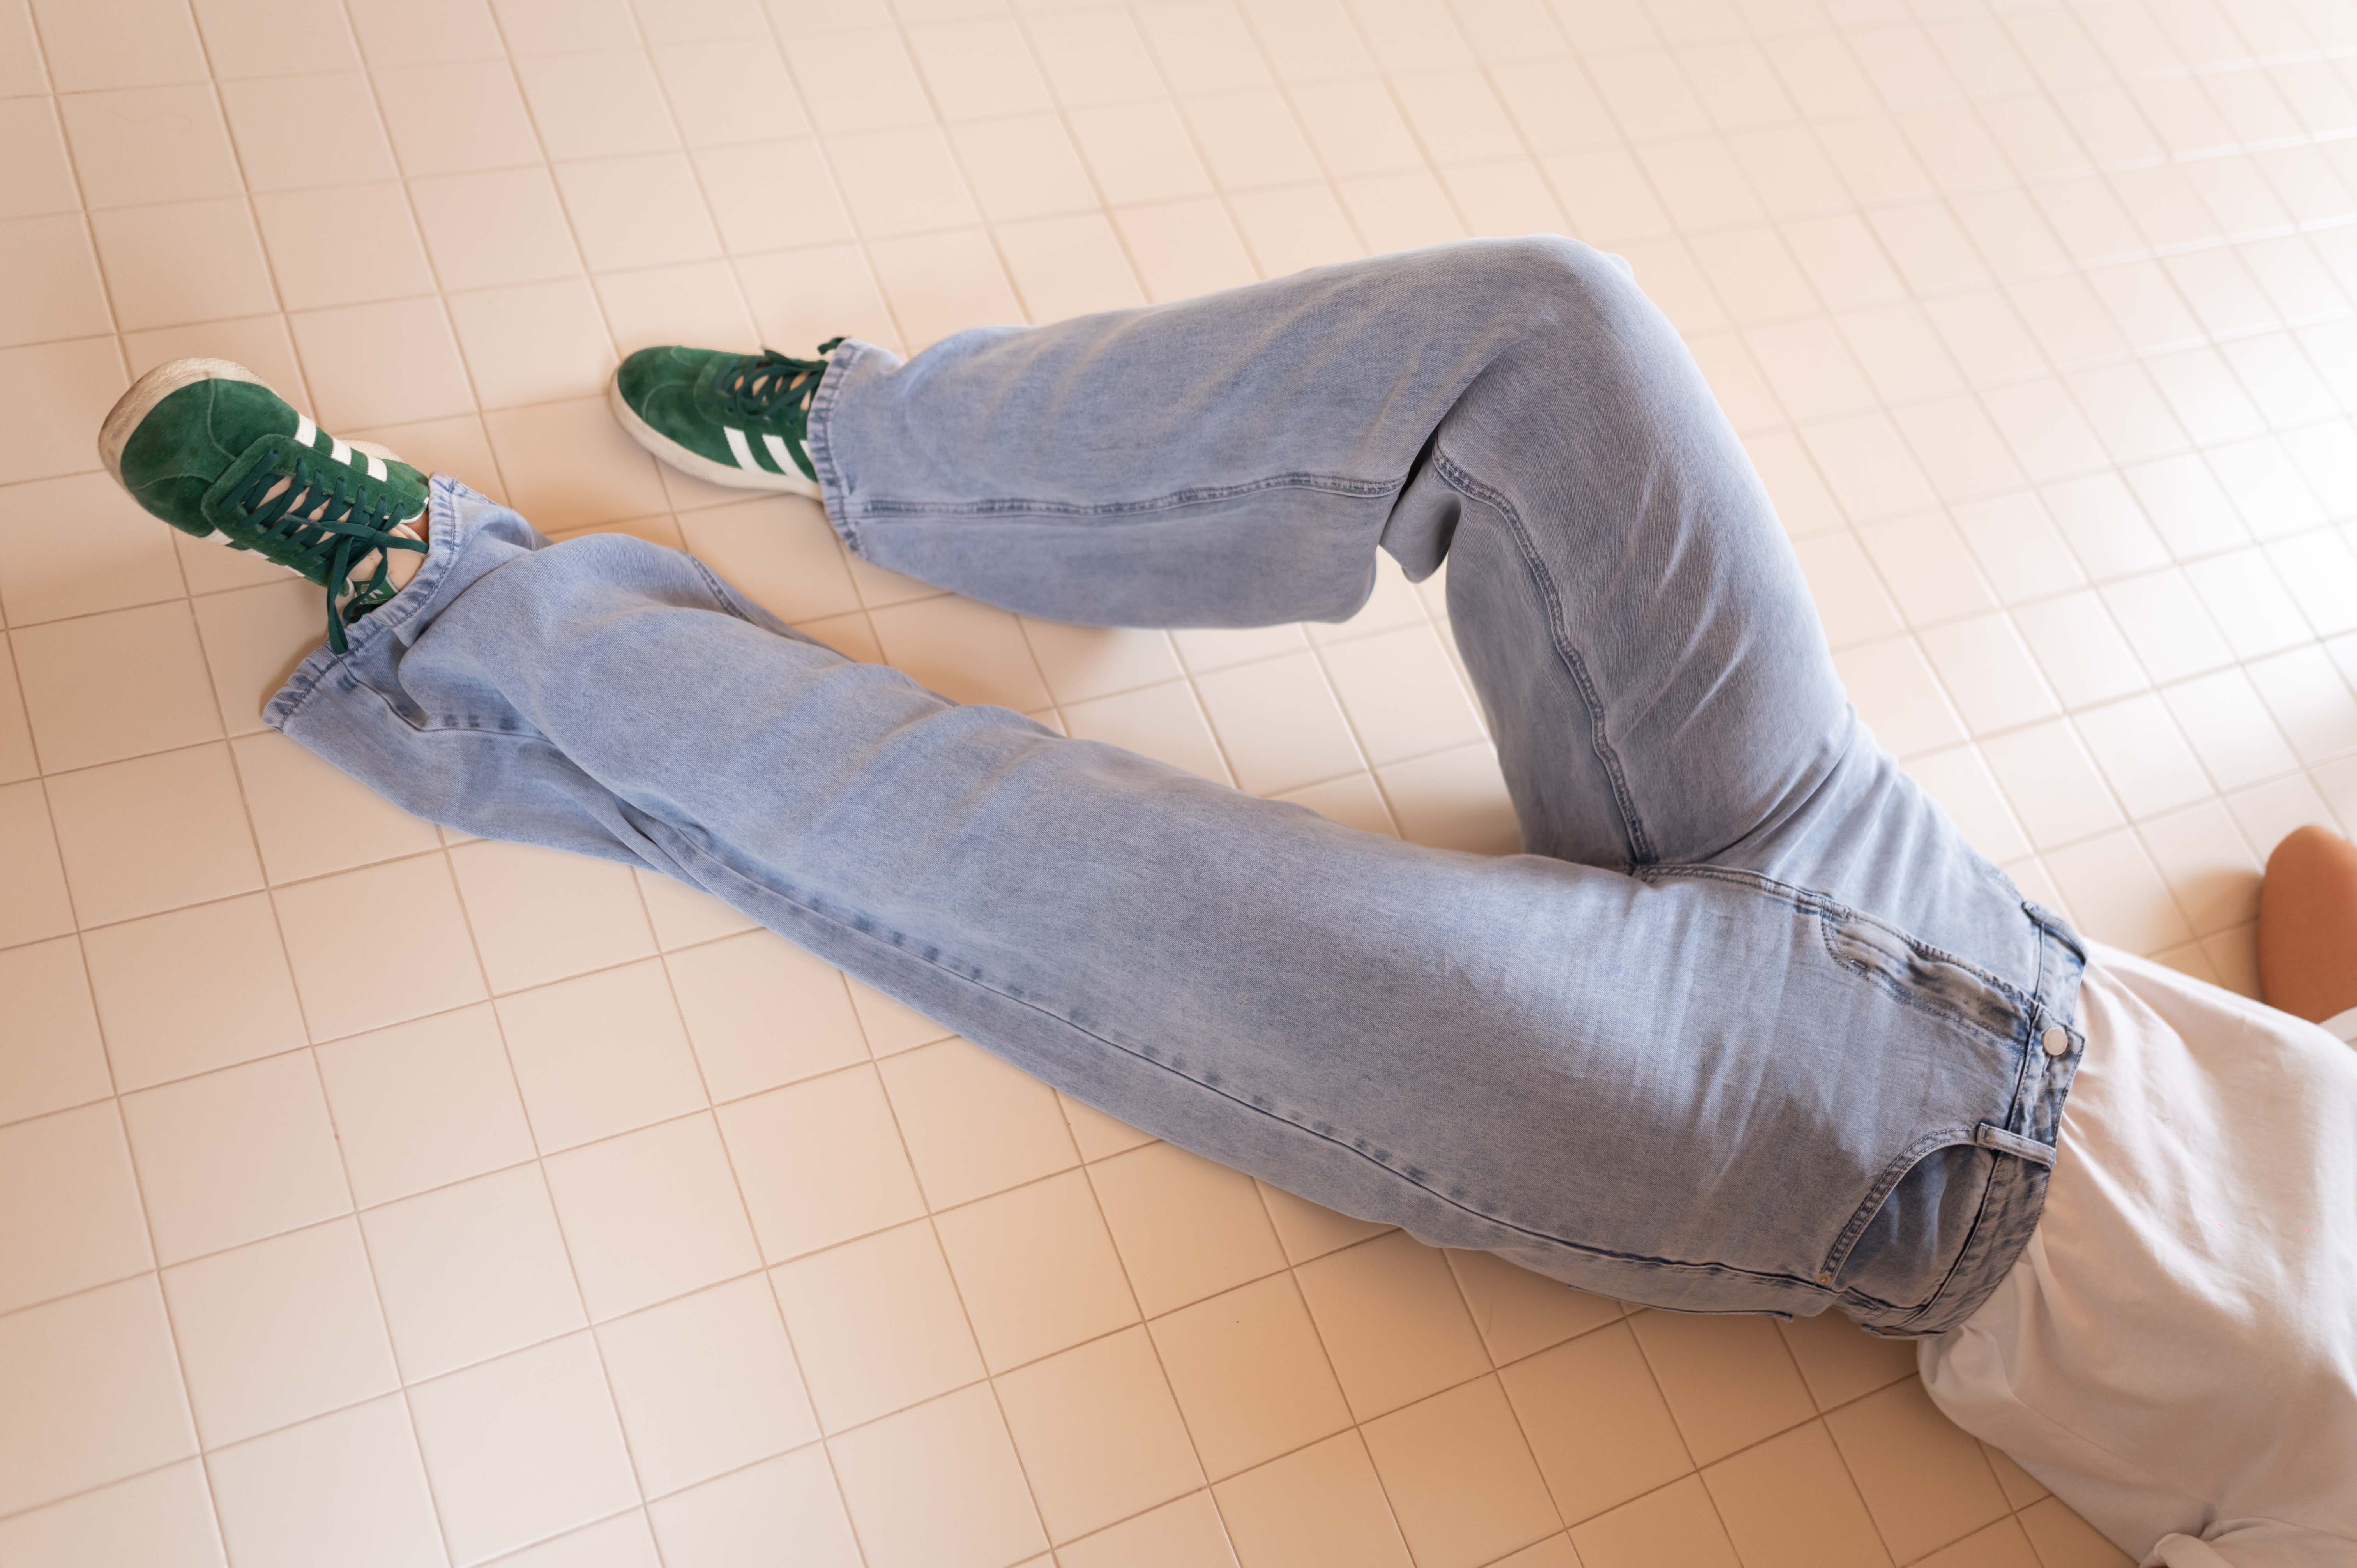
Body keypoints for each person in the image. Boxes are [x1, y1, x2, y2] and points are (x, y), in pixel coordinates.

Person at [97, 238, 2351, 1564]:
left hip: (1855, 1172)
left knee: (1039, 865)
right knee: (1547, 335)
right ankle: (894, 449)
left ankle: (454, 610)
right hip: (1944, 906)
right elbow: (2317, 886)